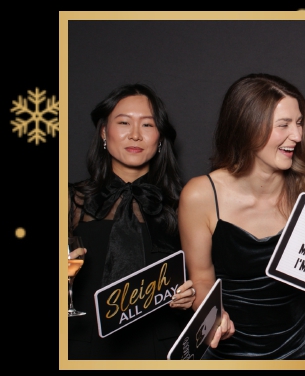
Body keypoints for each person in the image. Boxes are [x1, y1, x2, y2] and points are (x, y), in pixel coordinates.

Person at [178, 74, 305, 359]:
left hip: (300, 349)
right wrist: (214, 316)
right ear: (247, 127)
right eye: (283, 125)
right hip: (228, 353)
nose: (298, 136)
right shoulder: (199, 196)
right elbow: (201, 279)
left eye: (299, 123)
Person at [68, 82, 219, 359]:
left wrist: (189, 296)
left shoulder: (185, 204)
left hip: (161, 348)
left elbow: (202, 279)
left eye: (147, 125)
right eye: (124, 122)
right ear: (104, 132)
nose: (135, 135)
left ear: (160, 137)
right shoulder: (71, 200)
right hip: (84, 345)